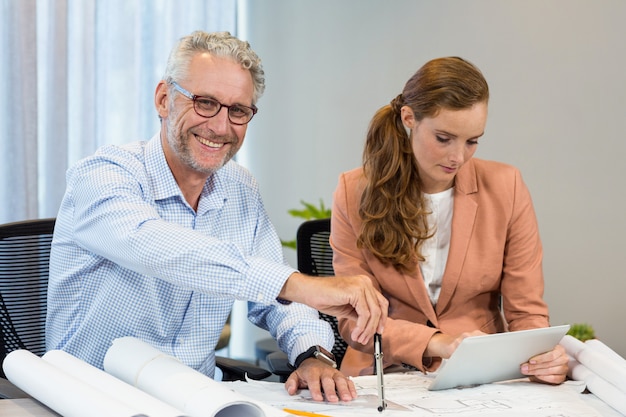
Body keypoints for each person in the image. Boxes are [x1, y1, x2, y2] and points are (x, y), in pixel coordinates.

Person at [46, 30, 387, 403]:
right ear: (164, 99)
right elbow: (159, 247)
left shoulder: (239, 187)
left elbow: (275, 299)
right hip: (95, 399)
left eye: (238, 110)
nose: (221, 127)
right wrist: (296, 283)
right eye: (205, 102)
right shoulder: (103, 174)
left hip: (198, 400)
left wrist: (312, 355)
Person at [330, 56, 568, 384]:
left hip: (480, 377)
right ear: (409, 118)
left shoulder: (507, 186)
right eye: (444, 139)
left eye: (472, 141)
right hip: (383, 371)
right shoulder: (352, 191)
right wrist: (437, 343)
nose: (458, 157)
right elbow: (356, 319)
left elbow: (527, 311)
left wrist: (542, 356)